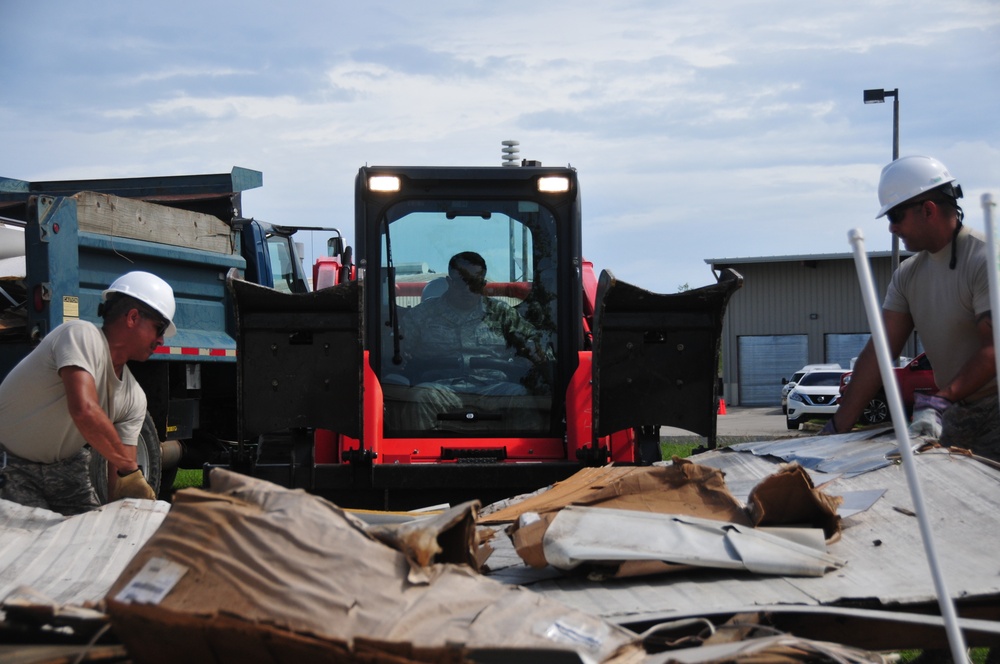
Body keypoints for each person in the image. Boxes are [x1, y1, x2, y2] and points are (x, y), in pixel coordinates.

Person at [823, 156, 997, 460]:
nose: (891, 228)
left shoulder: (985, 260)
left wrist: (941, 400)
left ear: (928, 209)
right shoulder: (908, 275)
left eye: (896, 216)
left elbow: (993, 348)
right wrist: (836, 429)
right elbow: (879, 353)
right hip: (959, 410)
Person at [0, 271, 174, 514]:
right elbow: (84, 409)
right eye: (159, 329)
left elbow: (123, 481)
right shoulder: (79, 334)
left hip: (66, 467)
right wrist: (128, 467)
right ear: (133, 317)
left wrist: (131, 511)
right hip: (9, 465)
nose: (161, 340)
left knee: (88, 540)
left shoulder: (134, 399)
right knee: (28, 544)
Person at [384, 251, 550, 431]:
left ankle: (527, 455)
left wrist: (536, 350)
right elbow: (395, 349)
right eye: (462, 281)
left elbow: (535, 341)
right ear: (449, 282)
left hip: (493, 387)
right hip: (440, 387)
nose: (468, 289)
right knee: (420, 397)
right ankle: (416, 455)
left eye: (475, 282)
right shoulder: (422, 314)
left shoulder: (501, 313)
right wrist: (399, 356)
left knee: (521, 398)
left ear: (483, 284)